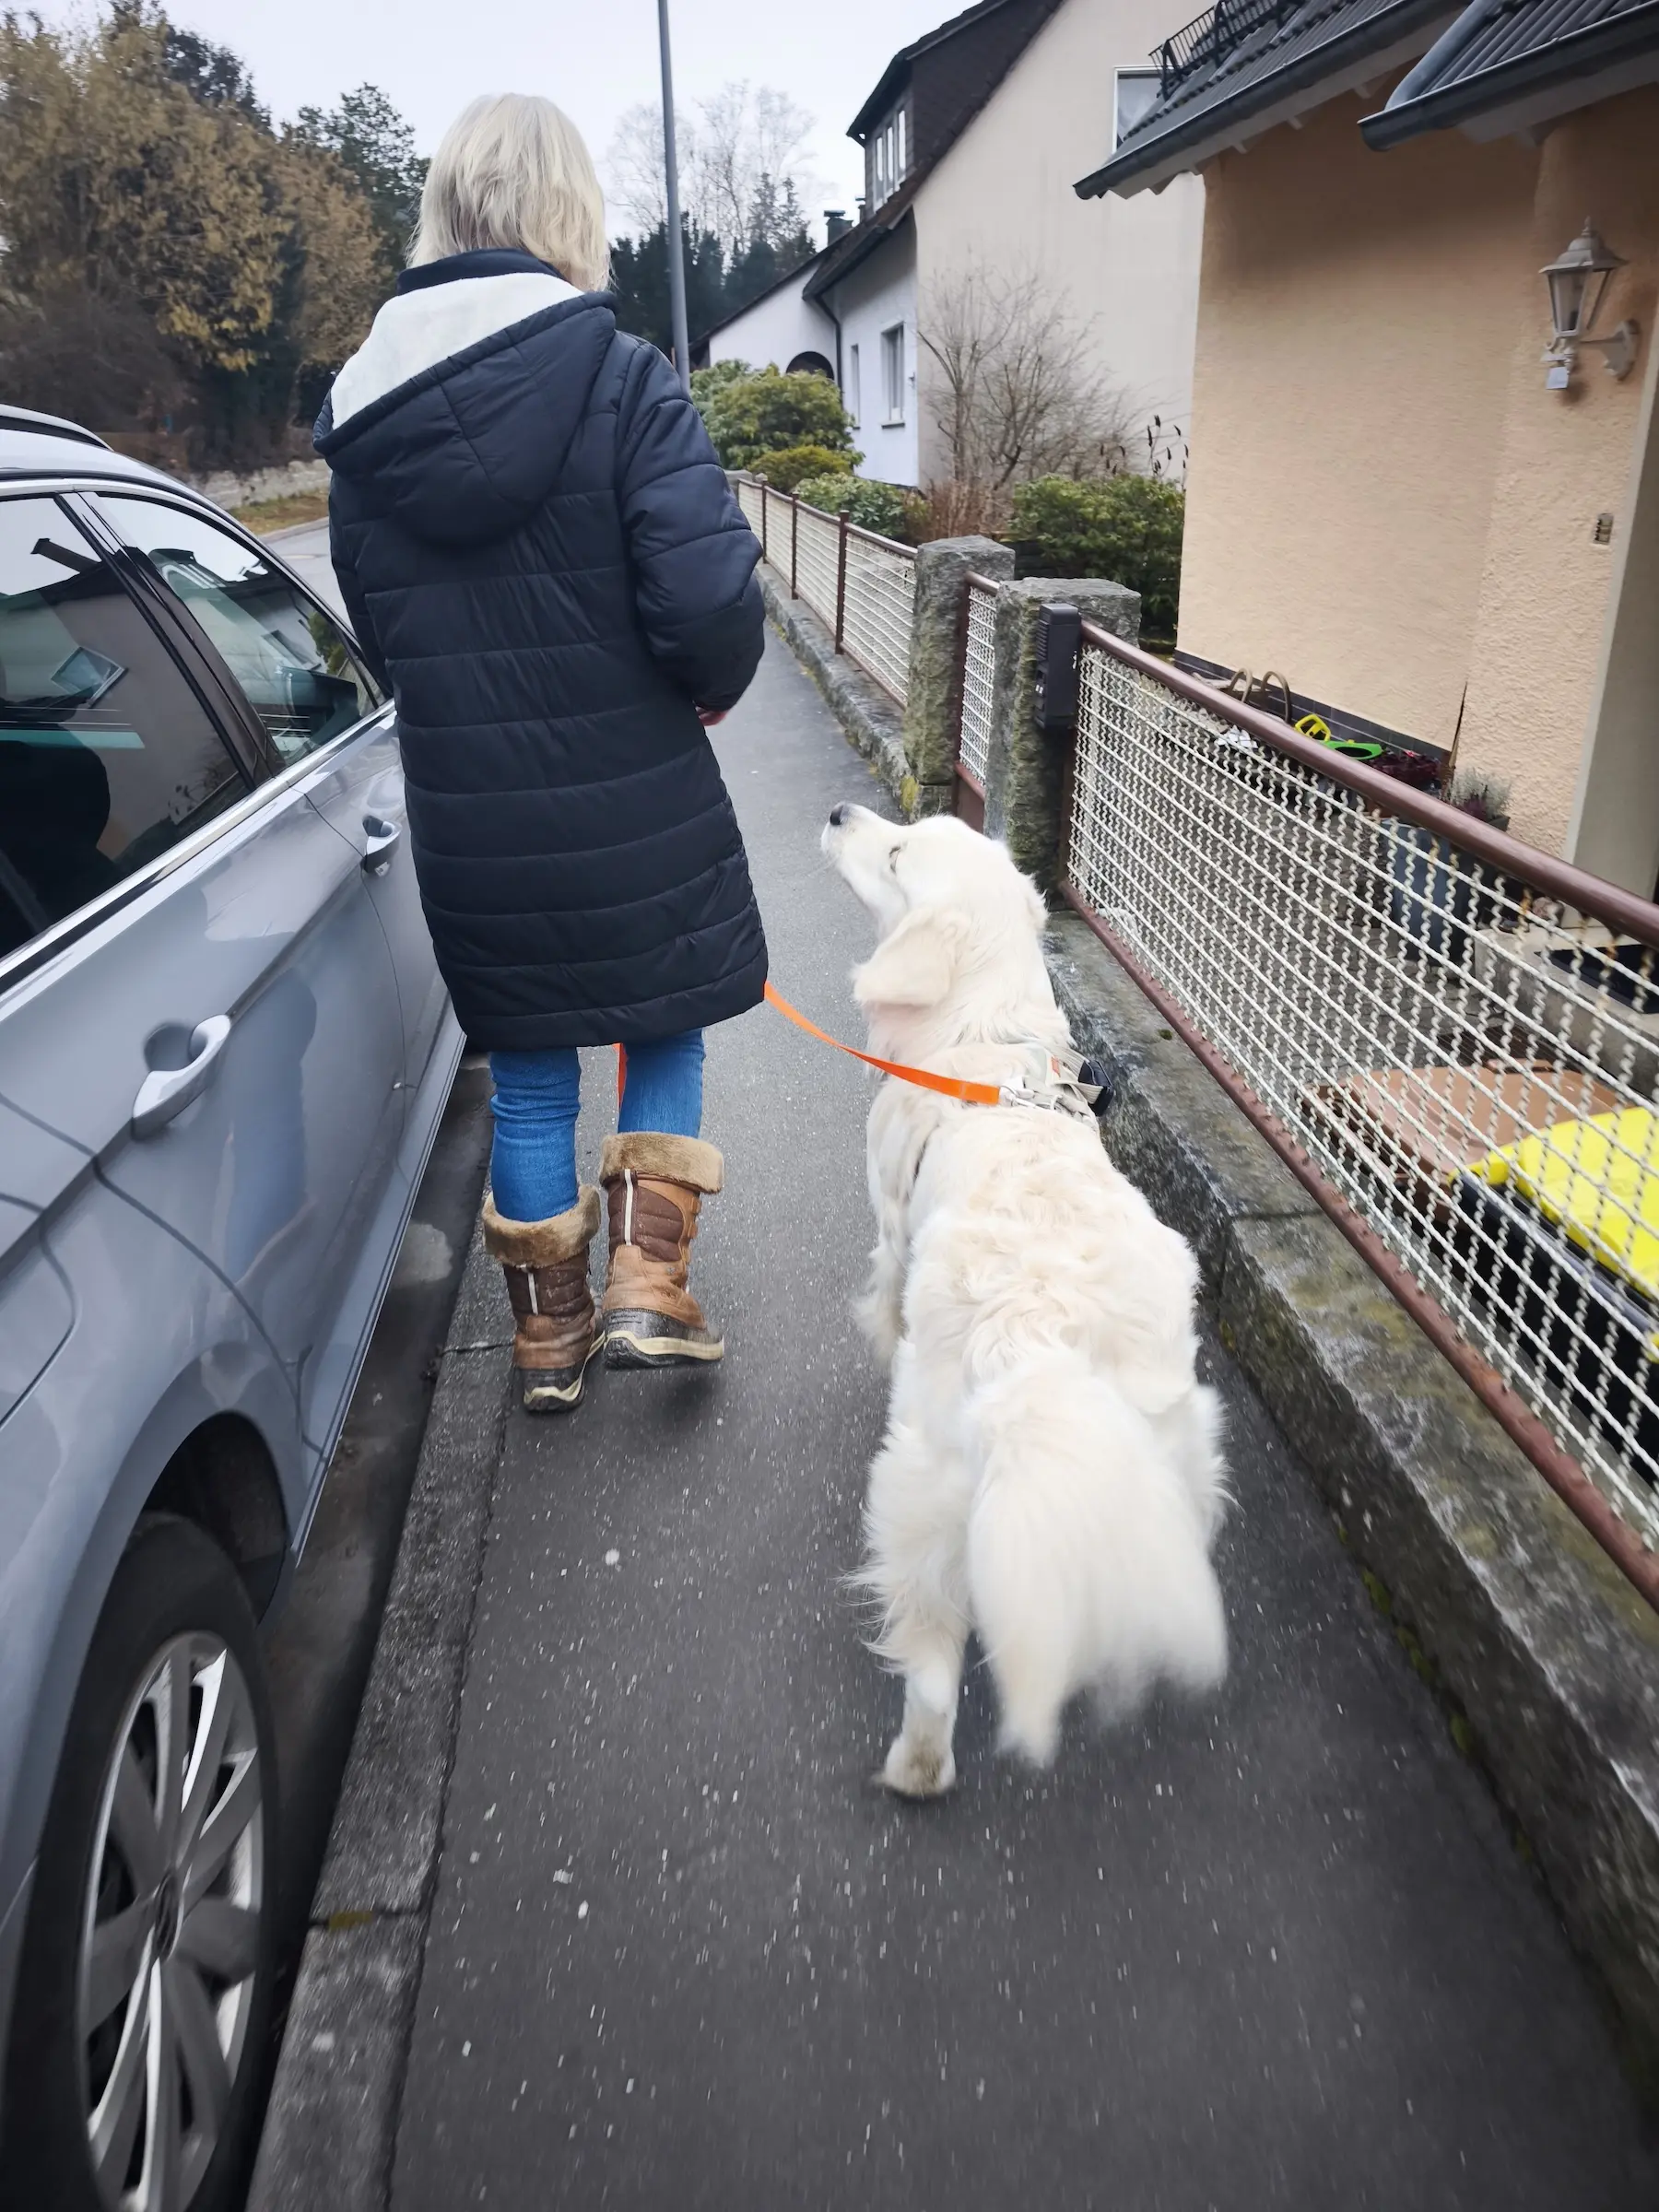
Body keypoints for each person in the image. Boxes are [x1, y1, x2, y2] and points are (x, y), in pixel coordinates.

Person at [316, 93, 766, 1414]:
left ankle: (547, 1340)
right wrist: (707, 690)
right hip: (637, 791)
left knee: (526, 1073)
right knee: (660, 1022)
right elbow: (706, 606)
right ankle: (651, 1287)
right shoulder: (628, 381)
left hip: (475, 822)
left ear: (445, 212)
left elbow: (386, 632)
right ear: (571, 211)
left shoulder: (363, 428)